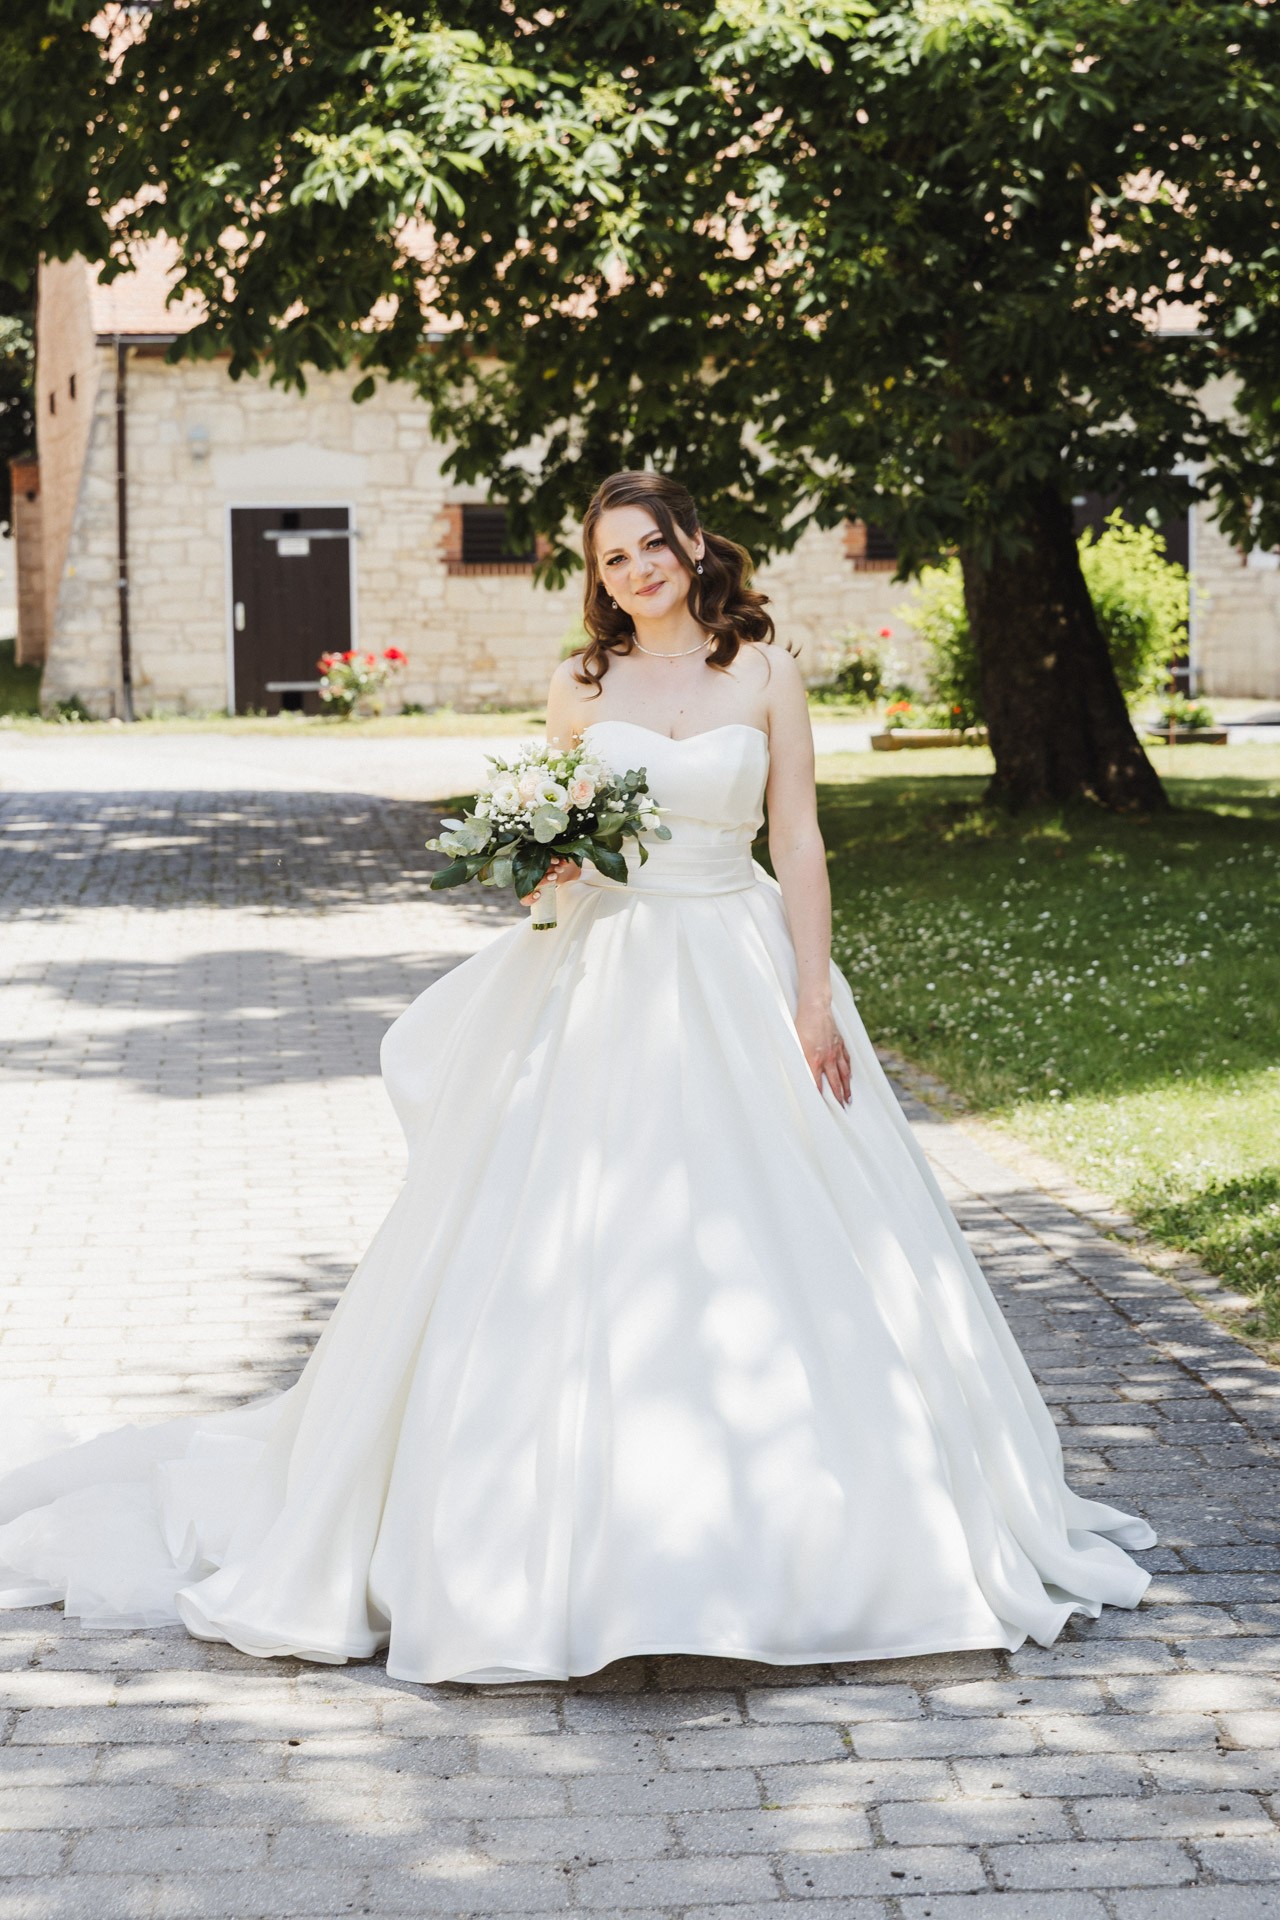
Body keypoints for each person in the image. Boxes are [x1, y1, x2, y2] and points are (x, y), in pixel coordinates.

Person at [0, 470, 1154, 1685]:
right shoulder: (580, 685)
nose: (637, 572)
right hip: (602, 976)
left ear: (695, 546)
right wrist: (538, 867)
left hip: (736, 958)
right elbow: (559, 851)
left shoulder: (762, 672)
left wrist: (812, 996)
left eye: (653, 547)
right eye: (613, 560)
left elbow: (800, 837)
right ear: (594, 578)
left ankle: (823, 1536)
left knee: (782, 1228)